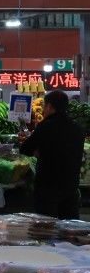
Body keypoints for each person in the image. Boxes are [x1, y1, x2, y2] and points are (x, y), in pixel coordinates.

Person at [21, 90, 85, 219]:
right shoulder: (77, 127)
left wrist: (37, 152)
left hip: (48, 185)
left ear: (49, 106)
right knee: (69, 227)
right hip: (71, 185)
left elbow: (25, 149)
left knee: (46, 227)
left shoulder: (45, 126)